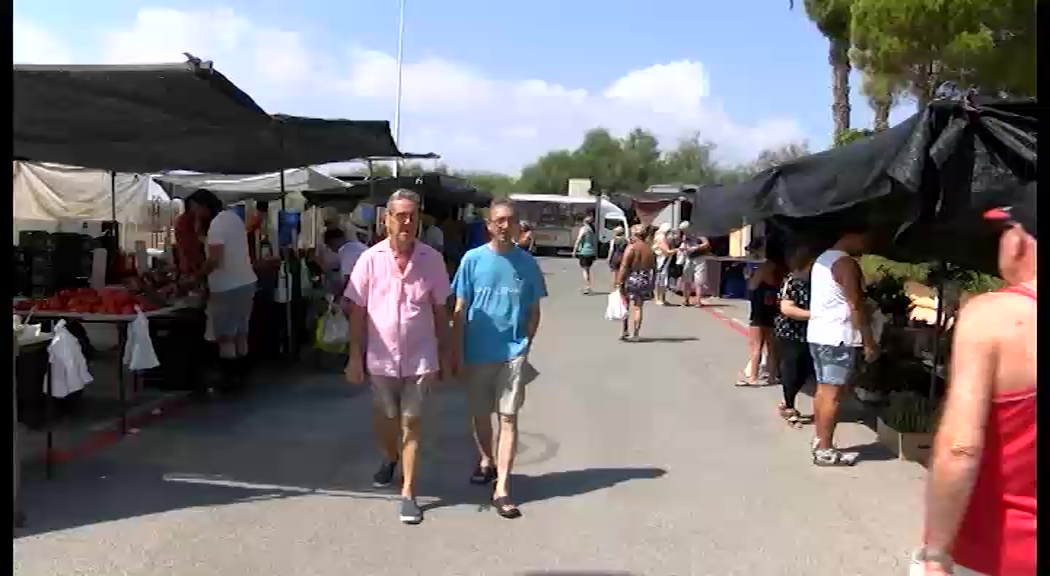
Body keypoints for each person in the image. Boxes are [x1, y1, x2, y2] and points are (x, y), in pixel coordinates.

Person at [914, 191, 1036, 576]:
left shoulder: (993, 316)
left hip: (1000, 553)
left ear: (1018, 241)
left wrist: (935, 554)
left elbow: (960, 447)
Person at [344, 189, 452, 525]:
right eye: (400, 215)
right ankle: (389, 457)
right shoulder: (369, 260)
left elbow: (440, 311)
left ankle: (408, 492)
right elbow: (358, 312)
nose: (407, 222)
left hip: (420, 358)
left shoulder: (431, 260)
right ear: (387, 219)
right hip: (380, 359)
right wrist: (354, 357)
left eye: (412, 215)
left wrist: (446, 353)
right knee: (387, 419)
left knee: (411, 422)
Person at [451, 200, 546, 520]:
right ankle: (486, 460)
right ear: (489, 225)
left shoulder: (527, 264)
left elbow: (534, 312)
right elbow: (459, 309)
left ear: (518, 224)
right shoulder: (472, 260)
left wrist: (525, 345)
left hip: (513, 354)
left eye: (511, 220)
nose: (505, 226)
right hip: (476, 353)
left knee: (508, 417)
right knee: (480, 416)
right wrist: (456, 352)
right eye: (499, 221)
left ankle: (502, 488)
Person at [806, 226, 876, 466]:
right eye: (864, 238)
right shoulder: (846, 264)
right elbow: (856, 305)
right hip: (838, 336)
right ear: (850, 235)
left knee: (823, 390)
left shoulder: (822, 260)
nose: (866, 245)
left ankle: (820, 440)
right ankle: (825, 450)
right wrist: (868, 342)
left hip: (818, 333)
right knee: (832, 394)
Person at [189, 189, 258, 392]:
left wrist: (197, 276)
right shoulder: (232, 218)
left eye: (195, 209)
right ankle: (242, 375)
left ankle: (230, 380)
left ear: (203, 206)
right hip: (246, 282)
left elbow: (215, 259)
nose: (195, 214)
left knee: (225, 336)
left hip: (227, 286)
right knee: (240, 333)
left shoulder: (217, 225)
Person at [774, 243, 816, 426]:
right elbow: (786, 308)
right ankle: (789, 405)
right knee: (792, 369)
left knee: (807, 369)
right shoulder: (793, 280)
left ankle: (787, 399)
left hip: (811, 332)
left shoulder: (817, 282)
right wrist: (814, 316)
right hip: (791, 331)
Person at [738, 258, 782, 386]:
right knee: (771, 348)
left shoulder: (757, 284)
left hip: (757, 317)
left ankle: (752, 376)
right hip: (771, 317)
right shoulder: (775, 285)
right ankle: (773, 375)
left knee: (756, 348)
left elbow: (750, 287)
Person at [614, 224, 656, 341]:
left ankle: (625, 330)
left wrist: (619, 281)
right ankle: (636, 334)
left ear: (636, 235)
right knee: (638, 307)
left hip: (631, 278)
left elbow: (624, 265)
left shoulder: (632, 247)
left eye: (632, 233)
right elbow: (653, 267)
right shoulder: (649, 249)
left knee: (625, 304)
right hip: (644, 279)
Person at [322, 227, 366, 300]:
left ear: (333, 241)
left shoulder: (346, 250)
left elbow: (348, 279)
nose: (330, 248)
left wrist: (340, 296)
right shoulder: (357, 246)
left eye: (329, 245)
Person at [677, 222, 711, 308]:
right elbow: (684, 243)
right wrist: (683, 248)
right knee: (686, 280)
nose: (684, 232)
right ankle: (686, 300)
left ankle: (698, 301)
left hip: (699, 258)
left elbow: (706, 244)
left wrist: (696, 247)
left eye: (685, 230)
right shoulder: (685, 235)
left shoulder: (699, 233)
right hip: (689, 258)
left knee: (698, 281)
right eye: (683, 230)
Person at [174, 195, 206, 276]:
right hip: (190, 259)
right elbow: (188, 241)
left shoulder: (198, 218)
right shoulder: (185, 220)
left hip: (193, 258)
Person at [571, 214, 598, 294]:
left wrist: (574, 250)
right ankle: (587, 286)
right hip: (591, 252)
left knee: (585, 270)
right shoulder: (592, 230)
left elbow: (578, 239)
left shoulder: (584, 229)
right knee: (587, 270)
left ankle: (587, 287)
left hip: (584, 251)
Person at [652, 223, 674, 305]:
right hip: (662, 259)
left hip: (665, 259)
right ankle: (658, 298)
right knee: (660, 278)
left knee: (663, 279)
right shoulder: (661, 237)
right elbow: (667, 251)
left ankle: (663, 298)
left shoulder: (661, 236)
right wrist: (678, 250)